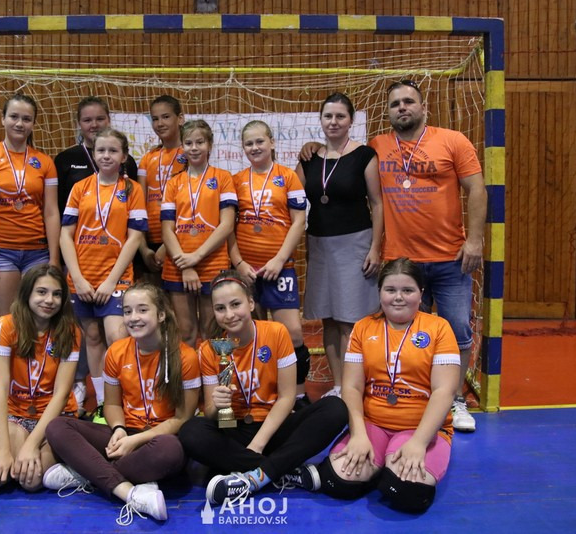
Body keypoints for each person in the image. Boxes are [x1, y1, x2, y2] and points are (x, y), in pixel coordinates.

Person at [283, 258, 459, 514]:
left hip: (420, 428)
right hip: (373, 425)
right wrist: (358, 434)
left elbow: (444, 391)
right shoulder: (363, 328)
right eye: (390, 290)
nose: (398, 297)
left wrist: (419, 443)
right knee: (336, 482)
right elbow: (352, 387)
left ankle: (386, 467)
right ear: (380, 293)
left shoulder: (439, 328)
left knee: (406, 492)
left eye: (407, 290)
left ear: (421, 294)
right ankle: (381, 465)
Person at [371, 80, 486, 432]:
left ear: (424, 107)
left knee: (457, 330)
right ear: (388, 112)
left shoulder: (453, 140)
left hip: (450, 258)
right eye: (395, 104)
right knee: (404, 333)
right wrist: (315, 148)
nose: (402, 108)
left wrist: (475, 240)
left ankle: (455, 399)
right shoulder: (377, 146)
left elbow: (477, 189)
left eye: (409, 101)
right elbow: (342, 157)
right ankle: (416, 395)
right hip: (401, 263)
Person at [178, 270, 348, 506]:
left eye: (235, 304)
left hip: (273, 426)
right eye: (220, 308)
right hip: (234, 429)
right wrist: (217, 405)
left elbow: (287, 397)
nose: (229, 314)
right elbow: (211, 414)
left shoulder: (275, 332)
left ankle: (254, 474)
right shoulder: (211, 349)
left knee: (335, 408)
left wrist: (257, 445)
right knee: (191, 432)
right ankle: (282, 471)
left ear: (250, 303)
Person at [44, 282, 200, 525]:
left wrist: (135, 441)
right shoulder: (116, 352)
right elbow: (112, 405)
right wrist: (118, 429)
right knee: (57, 426)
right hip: (125, 432)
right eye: (127, 311)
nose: (133, 318)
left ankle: (89, 473)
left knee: (169, 450)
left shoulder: (185, 357)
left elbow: (181, 419)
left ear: (161, 314)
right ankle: (129, 489)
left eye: (142, 310)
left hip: (160, 438)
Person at [295, 92, 384, 399]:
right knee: (329, 319)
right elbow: (291, 200)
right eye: (328, 116)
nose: (333, 122)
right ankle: (337, 386)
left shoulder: (364, 155)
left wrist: (375, 248)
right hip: (319, 246)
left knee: (351, 321)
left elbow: (377, 204)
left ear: (351, 120)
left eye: (340, 116)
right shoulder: (309, 158)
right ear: (320, 120)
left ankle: (353, 387)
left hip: (355, 244)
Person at [54, 96, 139, 412]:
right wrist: (76, 277)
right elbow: (65, 233)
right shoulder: (80, 187)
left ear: (123, 155)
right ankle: (103, 402)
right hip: (83, 277)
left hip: (115, 278)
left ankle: (126, 399)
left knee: (118, 337)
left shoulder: (132, 188)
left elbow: (134, 237)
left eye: (113, 151)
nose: (106, 155)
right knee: (90, 336)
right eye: (101, 150)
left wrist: (111, 281)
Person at [0, 264, 81, 492]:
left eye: (57, 294)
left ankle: (69, 464)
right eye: (41, 292)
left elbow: (61, 394)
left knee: (30, 481)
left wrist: (31, 445)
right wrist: (2, 450)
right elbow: (0, 389)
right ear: (27, 293)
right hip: (17, 416)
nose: (49, 300)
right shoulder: (6, 325)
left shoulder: (70, 331)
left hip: (55, 419)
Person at [228, 120, 311, 408]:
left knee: (293, 333)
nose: (255, 147)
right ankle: (261, 392)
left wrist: (279, 259)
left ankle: (298, 396)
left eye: (260, 141)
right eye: (249, 143)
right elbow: (228, 226)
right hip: (246, 272)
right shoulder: (236, 180)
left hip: (279, 268)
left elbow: (299, 221)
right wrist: (238, 263)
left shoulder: (288, 177)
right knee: (253, 333)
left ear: (272, 142)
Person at [0, 94, 60, 319]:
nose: (19, 123)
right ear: (3, 119)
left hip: (37, 252)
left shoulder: (45, 162)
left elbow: (50, 212)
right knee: (8, 321)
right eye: (14, 117)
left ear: (34, 123)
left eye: (26, 119)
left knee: (39, 320)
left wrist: (54, 258)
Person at [160, 119, 237, 346]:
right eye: (188, 143)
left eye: (200, 142)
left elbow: (227, 225)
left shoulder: (223, 178)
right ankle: (189, 372)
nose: (194, 148)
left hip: (212, 263)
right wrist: (186, 265)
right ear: (182, 146)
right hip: (178, 267)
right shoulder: (173, 183)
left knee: (212, 332)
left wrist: (196, 257)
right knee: (185, 334)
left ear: (210, 145)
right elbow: (167, 230)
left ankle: (213, 372)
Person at [136, 95, 186, 282]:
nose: (160, 123)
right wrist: (144, 249)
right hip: (151, 241)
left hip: (180, 239)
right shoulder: (148, 158)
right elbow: (138, 206)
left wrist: (167, 246)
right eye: (155, 119)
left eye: (166, 117)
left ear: (180, 118)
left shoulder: (190, 153)